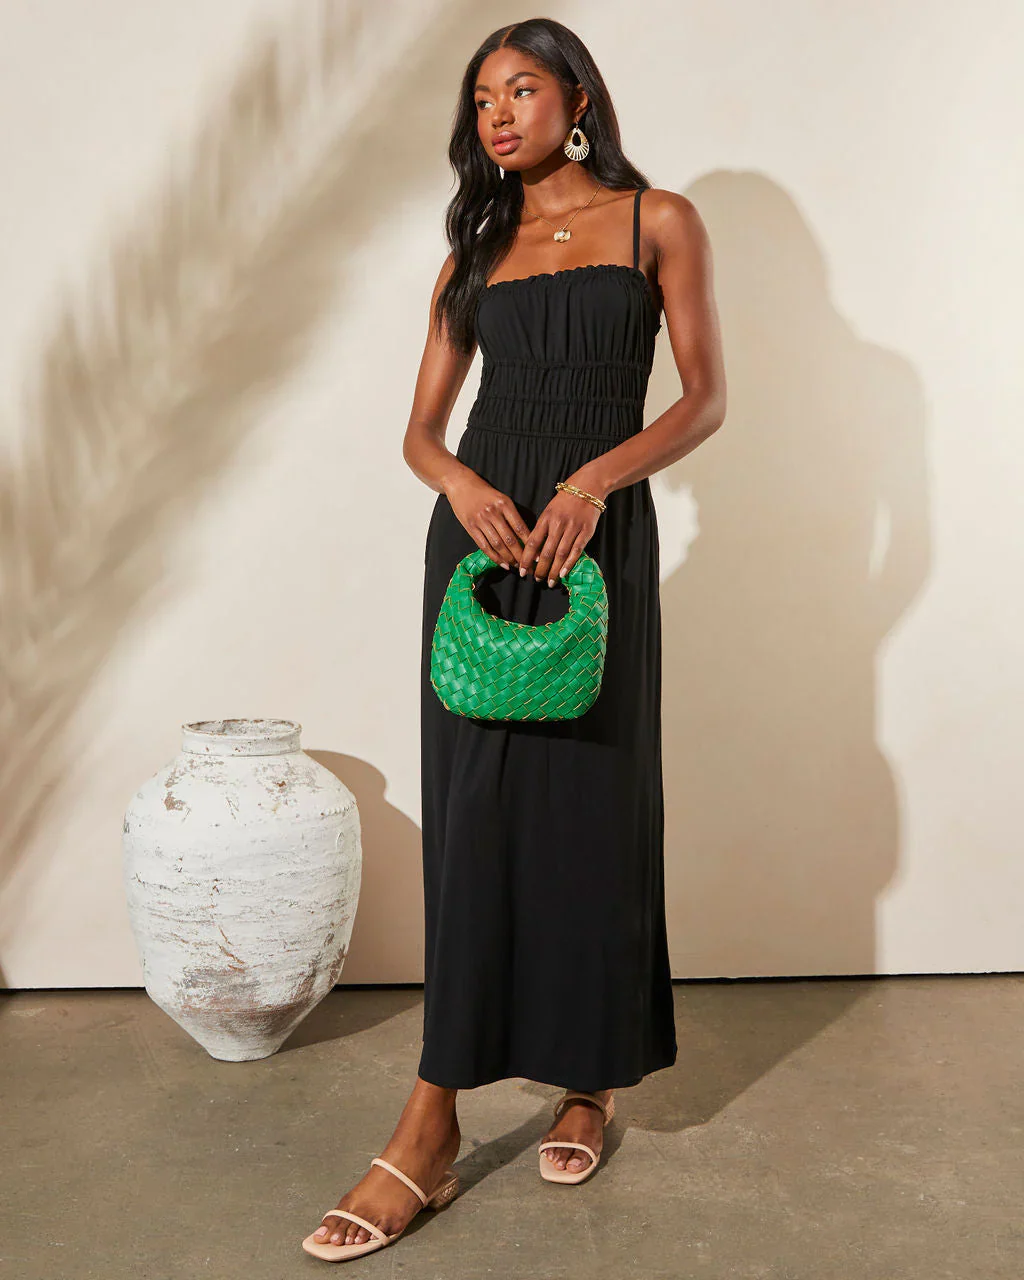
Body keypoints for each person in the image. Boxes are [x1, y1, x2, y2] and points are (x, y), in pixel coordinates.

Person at [303, 16, 725, 1262]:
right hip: (482, 540)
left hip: (596, 538)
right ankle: (430, 1118)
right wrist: (460, 486)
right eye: (481, 96)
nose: (496, 112)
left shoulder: (658, 221)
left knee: (593, 807)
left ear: (577, 98)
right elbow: (419, 431)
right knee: (474, 814)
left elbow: (705, 397)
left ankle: (590, 1077)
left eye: (521, 88)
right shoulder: (471, 248)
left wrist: (594, 481)